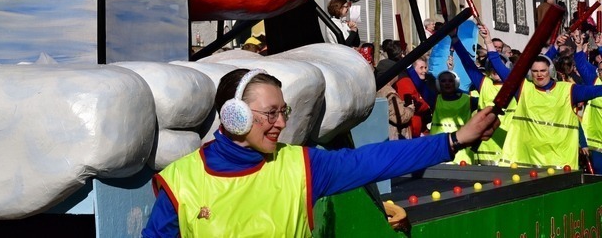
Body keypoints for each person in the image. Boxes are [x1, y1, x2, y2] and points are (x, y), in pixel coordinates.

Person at [143, 69, 499, 237]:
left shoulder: (299, 165)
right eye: (271, 113)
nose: (280, 123)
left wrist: (453, 141)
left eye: (284, 112)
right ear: (233, 115)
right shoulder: (182, 182)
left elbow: (373, 160)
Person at [490, 53, 602, 169]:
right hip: (528, 161)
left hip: (559, 163)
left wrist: (582, 143)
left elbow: (596, 91)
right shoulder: (524, 89)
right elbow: (502, 70)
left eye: (543, 70)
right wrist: (488, 42)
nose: (539, 74)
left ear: (551, 71)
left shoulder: (568, 90)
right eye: (535, 71)